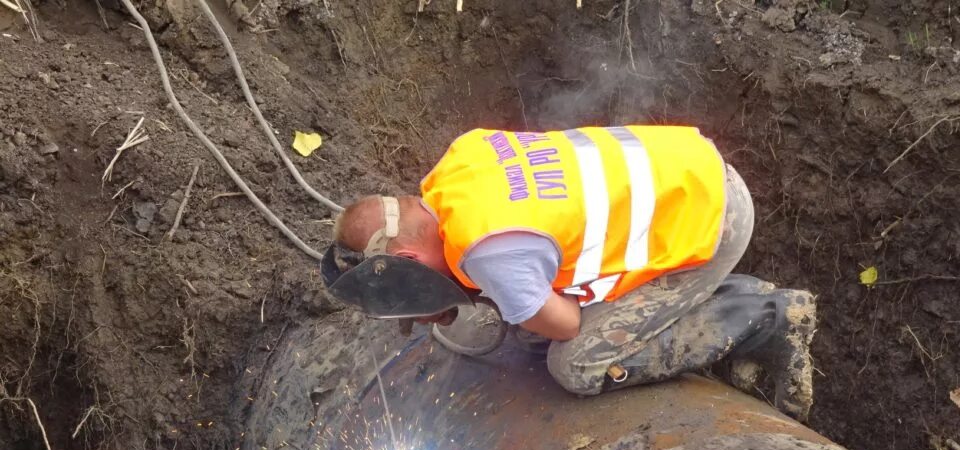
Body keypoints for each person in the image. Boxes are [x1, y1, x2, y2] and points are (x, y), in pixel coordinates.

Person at [331, 126, 817, 421]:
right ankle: (719, 307)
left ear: (410, 259)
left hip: (709, 223)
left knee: (576, 365)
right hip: (689, 175)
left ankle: (764, 317)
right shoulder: (457, 166)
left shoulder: (489, 253)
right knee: (532, 327)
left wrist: (506, 299)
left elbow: (565, 324)